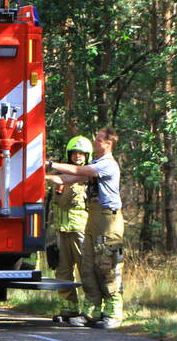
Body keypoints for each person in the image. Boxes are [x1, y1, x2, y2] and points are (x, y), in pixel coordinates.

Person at [46, 128, 124, 329]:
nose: (95, 142)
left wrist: (52, 163)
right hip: (93, 219)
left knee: (106, 266)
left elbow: (82, 172)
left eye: (98, 140)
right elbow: (65, 179)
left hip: (108, 219)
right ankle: (92, 311)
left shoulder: (107, 165)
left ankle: (113, 312)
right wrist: (42, 174)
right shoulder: (96, 164)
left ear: (108, 143)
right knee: (88, 266)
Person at [45, 135, 91, 322]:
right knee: (63, 271)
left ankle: (91, 310)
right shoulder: (61, 179)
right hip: (61, 231)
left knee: (86, 270)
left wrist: (47, 173)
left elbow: (65, 178)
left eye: (81, 153)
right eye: (74, 153)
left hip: (80, 231)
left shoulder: (87, 176)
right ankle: (69, 309)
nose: (77, 156)